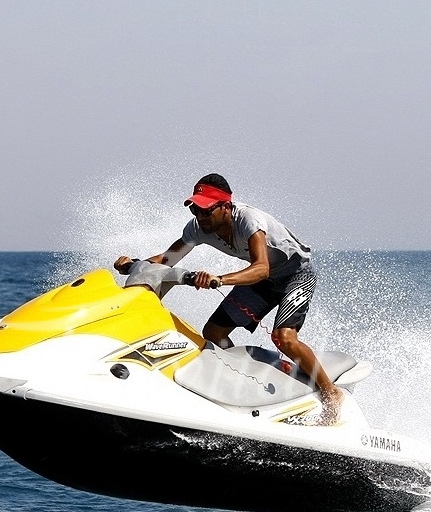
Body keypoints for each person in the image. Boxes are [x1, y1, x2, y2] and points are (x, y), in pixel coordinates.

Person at [114, 173, 344, 425]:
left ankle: (331, 392)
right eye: (195, 210)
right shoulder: (197, 228)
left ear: (225, 206)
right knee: (214, 332)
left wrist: (220, 279)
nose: (200, 216)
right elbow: (168, 259)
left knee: (284, 338)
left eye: (206, 210)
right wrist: (137, 264)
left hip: (296, 274)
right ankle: (238, 379)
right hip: (264, 280)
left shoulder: (248, 220)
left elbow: (261, 268)